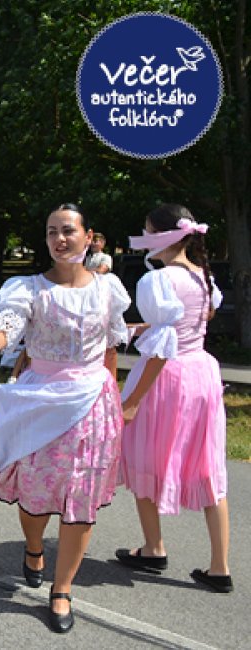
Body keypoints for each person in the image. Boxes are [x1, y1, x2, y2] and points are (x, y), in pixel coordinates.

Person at [0, 203, 130, 633]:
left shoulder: (109, 290)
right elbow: (9, 325)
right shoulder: (30, 289)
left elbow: (109, 350)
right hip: (41, 401)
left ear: (88, 237)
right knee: (37, 495)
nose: (59, 238)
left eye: (68, 230)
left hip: (93, 404)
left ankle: (62, 588)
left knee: (80, 499)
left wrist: (114, 400)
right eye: (52, 231)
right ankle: (34, 547)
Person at [114, 204, 232, 593]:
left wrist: (131, 402)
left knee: (146, 455)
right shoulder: (203, 276)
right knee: (207, 465)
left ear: (163, 236)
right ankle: (220, 567)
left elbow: (164, 349)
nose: (144, 237)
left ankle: (153, 547)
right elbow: (197, 321)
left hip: (168, 377)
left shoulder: (158, 282)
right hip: (201, 371)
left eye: (148, 231)